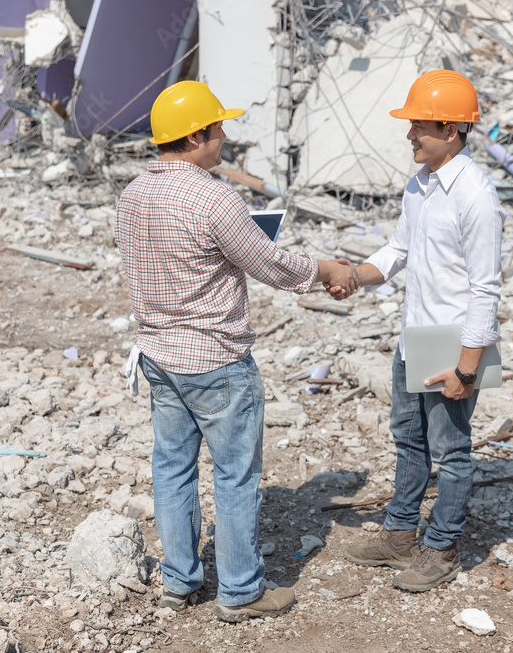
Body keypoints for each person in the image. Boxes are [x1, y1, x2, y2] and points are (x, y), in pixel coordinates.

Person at [114, 80, 358, 622]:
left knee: (172, 469)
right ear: (196, 135)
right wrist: (328, 270)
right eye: (219, 126)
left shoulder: (132, 194)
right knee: (235, 476)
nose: (224, 135)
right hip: (215, 360)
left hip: (158, 355)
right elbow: (270, 265)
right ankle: (241, 592)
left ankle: (179, 581)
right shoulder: (213, 195)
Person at [332, 70, 507, 592]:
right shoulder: (421, 183)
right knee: (409, 441)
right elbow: (399, 250)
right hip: (415, 339)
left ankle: (443, 546)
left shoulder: (476, 196)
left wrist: (467, 369)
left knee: (452, 452)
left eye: (419, 127)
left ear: (451, 129)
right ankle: (400, 535)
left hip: (452, 346)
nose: (410, 136)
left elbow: (486, 289)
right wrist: (356, 277)